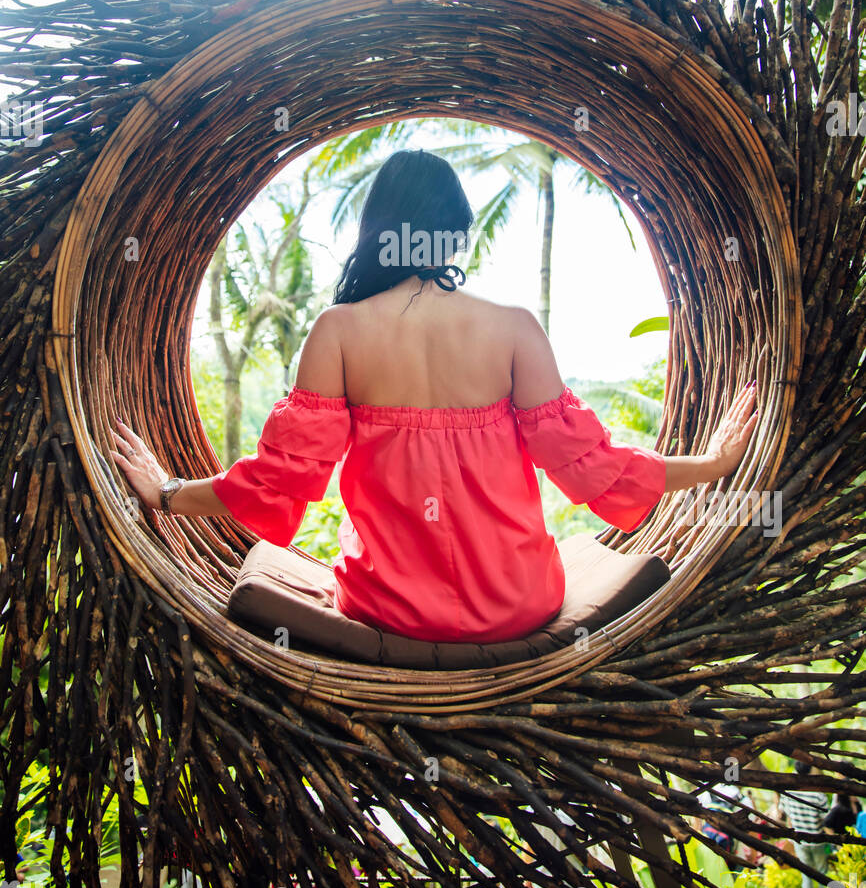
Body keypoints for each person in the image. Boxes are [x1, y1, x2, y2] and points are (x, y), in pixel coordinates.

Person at [110, 149, 759, 645]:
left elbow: (278, 480)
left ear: (376, 230)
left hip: (389, 609)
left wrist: (167, 492)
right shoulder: (511, 328)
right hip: (520, 604)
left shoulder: (338, 333)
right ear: (455, 232)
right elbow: (593, 466)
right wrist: (715, 465)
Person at [781, 762, 831, 888]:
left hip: (799, 839)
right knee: (822, 873)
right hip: (817, 840)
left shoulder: (789, 792)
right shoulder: (818, 795)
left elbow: (786, 813)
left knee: (806, 873)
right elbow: (826, 820)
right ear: (810, 770)